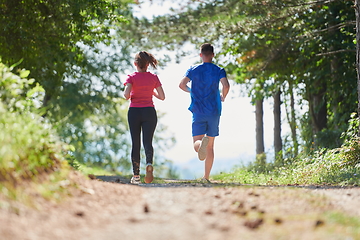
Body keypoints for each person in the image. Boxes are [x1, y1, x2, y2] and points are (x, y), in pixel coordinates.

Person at [179, 43, 230, 182]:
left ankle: (200, 145)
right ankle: (206, 177)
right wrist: (223, 97)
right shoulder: (219, 70)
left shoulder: (193, 69)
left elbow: (181, 84)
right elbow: (226, 85)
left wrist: (192, 91)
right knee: (211, 146)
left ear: (200, 55)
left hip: (198, 110)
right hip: (214, 111)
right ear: (213, 55)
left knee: (197, 141)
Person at [124, 51, 165, 184]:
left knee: (136, 144)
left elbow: (126, 95)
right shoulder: (154, 78)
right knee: (148, 142)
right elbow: (162, 97)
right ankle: (149, 163)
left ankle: (136, 176)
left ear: (135, 64)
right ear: (148, 64)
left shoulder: (131, 77)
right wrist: (150, 91)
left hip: (134, 112)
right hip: (149, 112)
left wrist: (132, 93)